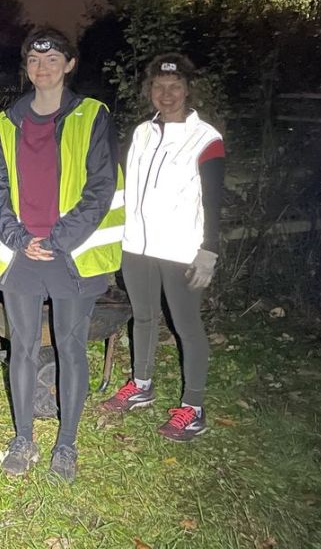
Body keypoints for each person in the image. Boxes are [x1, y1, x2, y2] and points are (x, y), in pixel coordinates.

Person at [0, 27, 124, 483]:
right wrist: (20, 237)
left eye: (53, 59)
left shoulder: (92, 115)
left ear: (70, 64)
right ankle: (24, 438)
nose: (43, 68)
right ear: (26, 67)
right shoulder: (5, 123)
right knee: (21, 348)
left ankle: (67, 445)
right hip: (22, 253)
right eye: (34, 61)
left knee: (70, 348)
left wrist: (59, 238)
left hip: (71, 253)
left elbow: (102, 186)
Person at [101, 54, 224, 442]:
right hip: (137, 245)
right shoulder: (141, 134)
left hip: (181, 249)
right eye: (158, 86)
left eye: (174, 87)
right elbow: (126, 189)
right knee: (144, 316)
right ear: (149, 90)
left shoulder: (206, 138)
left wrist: (210, 249)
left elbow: (214, 199)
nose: (166, 94)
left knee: (187, 326)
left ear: (188, 89)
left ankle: (194, 406)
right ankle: (141, 384)